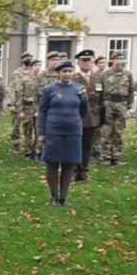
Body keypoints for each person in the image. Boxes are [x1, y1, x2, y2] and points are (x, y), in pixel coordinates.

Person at [38, 60, 89, 206]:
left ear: (73, 73)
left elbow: (84, 109)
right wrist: (41, 132)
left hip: (73, 132)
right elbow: (43, 111)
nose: (67, 74)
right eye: (64, 71)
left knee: (69, 164)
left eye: (69, 71)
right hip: (54, 131)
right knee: (52, 164)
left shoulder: (80, 89)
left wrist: (73, 120)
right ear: (58, 73)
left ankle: (63, 197)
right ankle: (54, 196)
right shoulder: (49, 89)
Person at [69, 50, 102, 182]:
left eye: (90, 61)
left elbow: (101, 97)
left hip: (93, 116)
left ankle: (84, 172)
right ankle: (74, 172)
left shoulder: (98, 78)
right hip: (77, 116)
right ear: (78, 62)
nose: (87, 64)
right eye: (84, 61)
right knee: (75, 144)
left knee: (88, 145)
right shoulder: (73, 78)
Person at [100, 52, 133, 167]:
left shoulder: (128, 74)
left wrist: (128, 107)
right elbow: (101, 90)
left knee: (118, 131)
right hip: (108, 103)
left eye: (121, 59)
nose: (119, 61)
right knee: (106, 130)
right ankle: (106, 155)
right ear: (112, 60)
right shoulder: (105, 73)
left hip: (122, 104)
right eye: (117, 59)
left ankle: (116, 156)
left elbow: (131, 90)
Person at [7, 52, 33, 155]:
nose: (27, 59)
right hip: (17, 103)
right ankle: (16, 145)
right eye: (25, 58)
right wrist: (12, 104)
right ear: (22, 60)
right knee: (15, 126)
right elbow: (12, 88)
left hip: (29, 103)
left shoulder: (34, 72)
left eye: (29, 57)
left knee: (29, 126)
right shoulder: (16, 73)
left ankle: (28, 147)